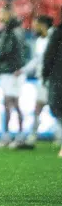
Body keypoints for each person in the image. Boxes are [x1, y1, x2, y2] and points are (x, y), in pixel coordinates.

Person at [14, 15, 61, 147]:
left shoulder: (56, 36)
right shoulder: (40, 41)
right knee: (42, 108)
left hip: (55, 79)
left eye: (36, 25)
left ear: (43, 25)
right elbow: (37, 60)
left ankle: (54, 136)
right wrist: (23, 70)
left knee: (55, 109)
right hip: (44, 80)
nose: (34, 27)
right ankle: (34, 136)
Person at [0, 4, 26, 149]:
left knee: (12, 104)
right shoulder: (9, 30)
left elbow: (8, 51)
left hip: (12, 72)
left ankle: (15, 136)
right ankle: (10, 136)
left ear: (9, 14)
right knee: (9, 104)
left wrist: (17, 67)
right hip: (8, 71)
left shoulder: (13, 30)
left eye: (1, 13)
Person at [42, 20, 62, 157]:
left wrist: (45, 73)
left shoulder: (57, 33)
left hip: (58, 76)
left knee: (57, 108)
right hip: (58, 75)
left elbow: (49, 55)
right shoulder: (57, 32)